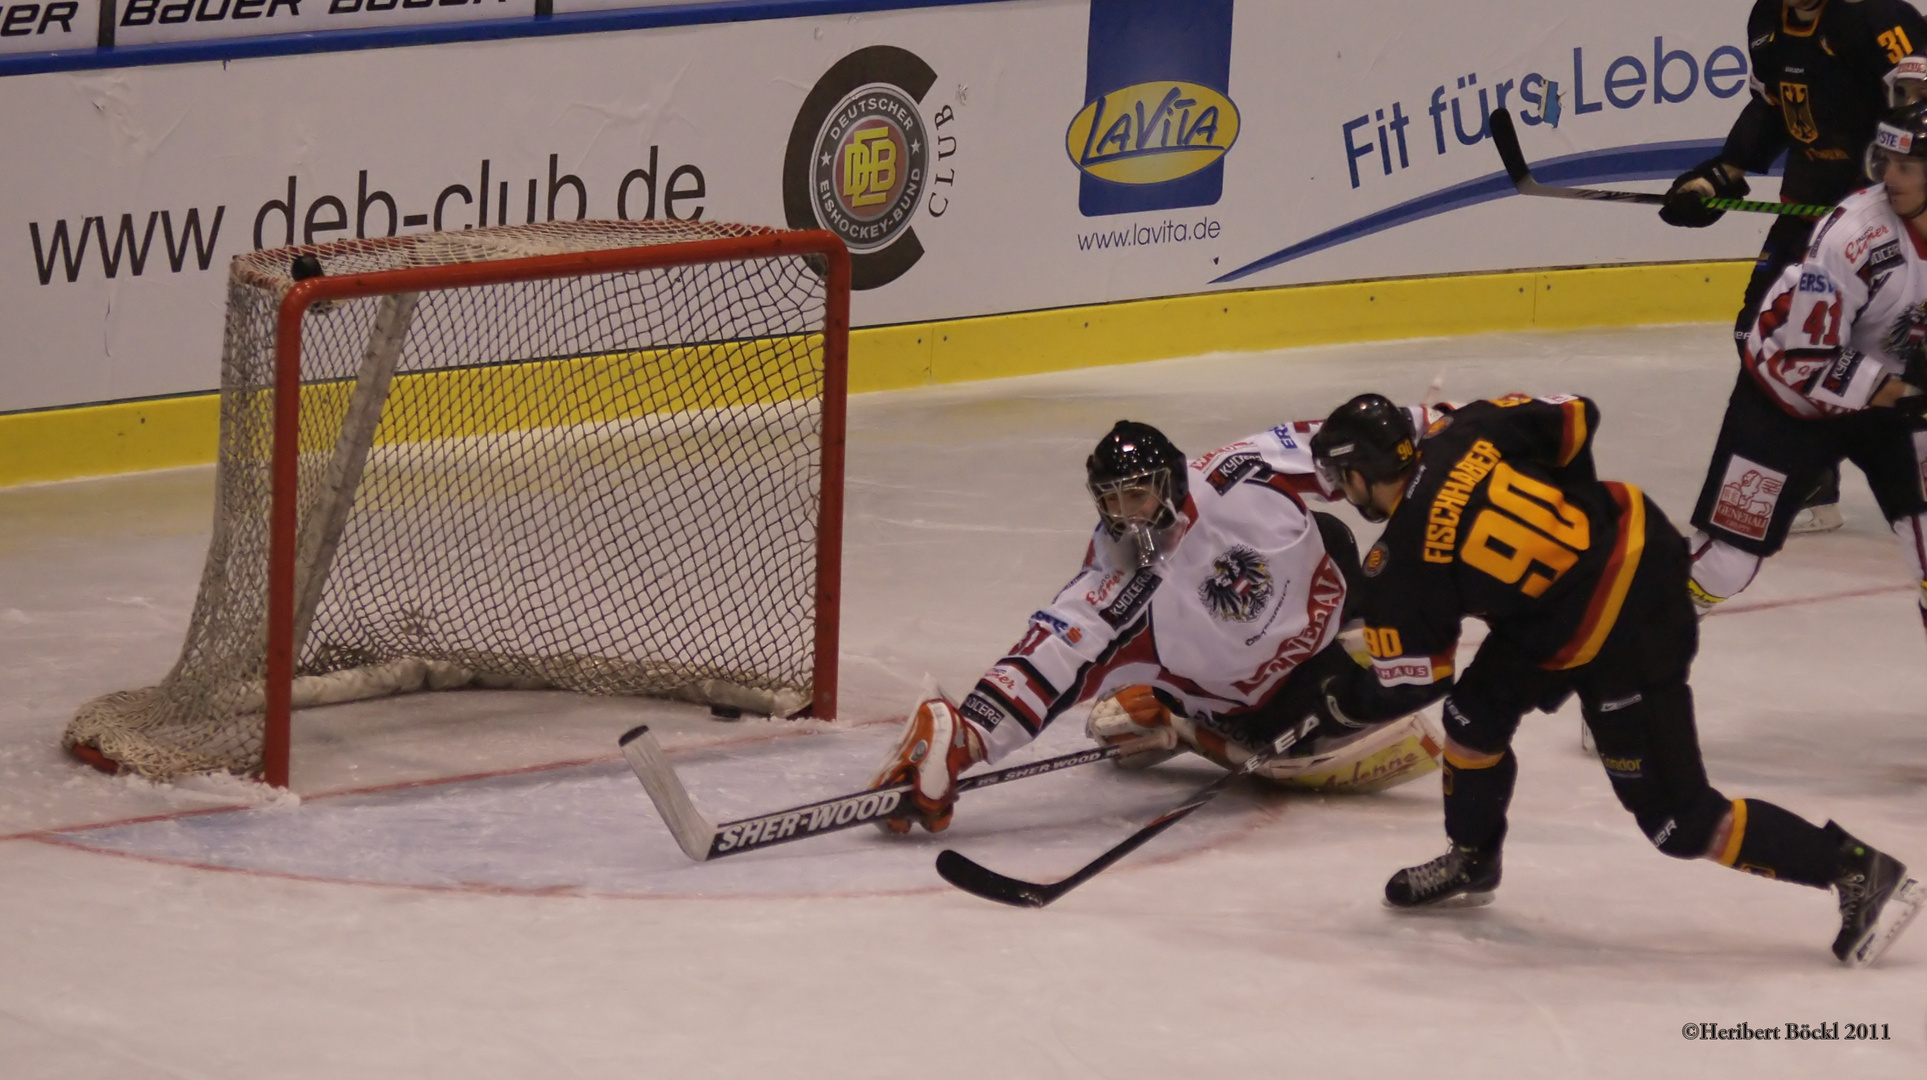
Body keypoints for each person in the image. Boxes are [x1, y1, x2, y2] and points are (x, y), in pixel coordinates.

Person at [1304, 391, 1921, 966]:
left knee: (1680, 822)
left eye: (1339, 479)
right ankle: (1472, 860)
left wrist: (1331, 707)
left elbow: (1415, 684)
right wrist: (1571, 516)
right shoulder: (1465, 432)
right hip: (1631, 551)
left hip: (1628, 631)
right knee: (1472, 718)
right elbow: (1575, 416)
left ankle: (1856, 870)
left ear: (1358, 474)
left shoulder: (1400, 570)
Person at [865, 419, 1443, 836]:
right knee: (1292, 741)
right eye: (1113, 503)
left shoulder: (1241, 467)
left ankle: (1163, 705)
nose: (1128, 515)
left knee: (1363, 563)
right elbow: (1043, 663)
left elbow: (1355, 443)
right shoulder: (1114, 586)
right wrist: (964, 742)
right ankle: (1181, 720)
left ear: (1171, 480)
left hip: (1335, 594)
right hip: (1268, 695)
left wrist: (1455, 435)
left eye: (1138, 494)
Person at [1663, 0, 1927, 533]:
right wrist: (1721, 174)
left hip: (1885, 206)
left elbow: (1918, 107)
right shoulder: (1767, 21)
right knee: (1763, 330)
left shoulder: (1878, 19)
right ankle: (1807, 476)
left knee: (1896, 345)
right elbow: (1772, 106)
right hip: (1808, 201)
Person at [1688, 102, 1927, 641]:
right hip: (1788, 400)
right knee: (1725, 563)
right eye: (1885, 160)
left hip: (1892, 400)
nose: (1888, 177)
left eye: (1906, 167)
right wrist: (1910, 388)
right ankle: (1624, 678)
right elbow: (1807, 361)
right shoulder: (1853, 237)